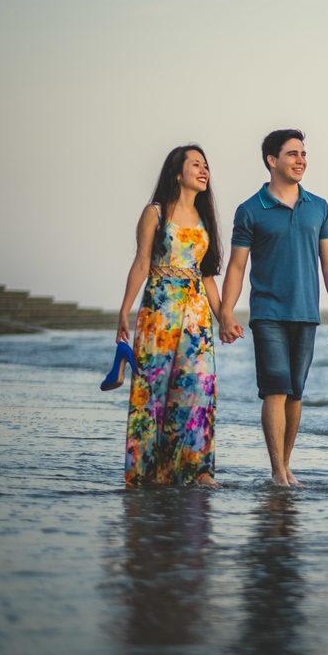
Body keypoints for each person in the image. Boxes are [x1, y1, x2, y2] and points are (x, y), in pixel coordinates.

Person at [219, 129, 328, 487]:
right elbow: (236, 267)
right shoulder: (250, 210)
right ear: (272, 160)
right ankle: (277, 471)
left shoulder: (319, 207)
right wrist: (226, 312)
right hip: (268, 313)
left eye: (303, 154)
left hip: (307, 313)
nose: (301, 160)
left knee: (295, 394)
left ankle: (286, 465)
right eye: (292, 154)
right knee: (275, 389)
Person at [114, 145, 223, 487]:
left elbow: (207, 276)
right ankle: (148, 473)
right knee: (153, 393)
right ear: (178, 173)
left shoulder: (205, 219)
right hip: (158, 313)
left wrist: (225, 318)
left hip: (196, 317)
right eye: (196, 165)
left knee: (198, 389)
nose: (204, 170)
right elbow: (141, 263)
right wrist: (124, 310)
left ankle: (197, 471)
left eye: (206, 165)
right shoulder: (155, 213)